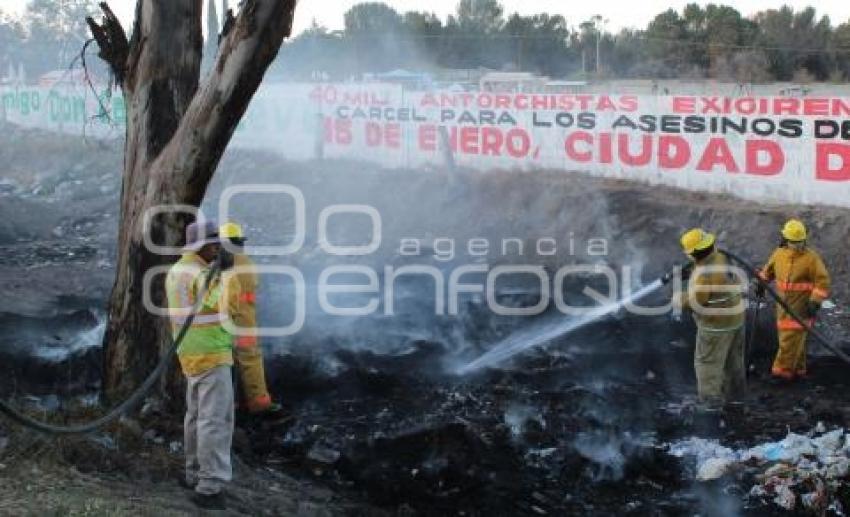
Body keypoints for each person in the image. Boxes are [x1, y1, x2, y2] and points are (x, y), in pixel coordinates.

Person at [165, 220, 233, 510]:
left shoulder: (177, 270)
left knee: (195, 417)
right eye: (213, 243)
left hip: (190, 354)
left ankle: (193, 473)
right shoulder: (202, 273)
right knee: (214, 421)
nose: (218, 247)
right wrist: (225, 274)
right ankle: (210, 486)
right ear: (200, 246)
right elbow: (219, 303)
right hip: (211, 354)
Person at [671, 228, 747, 406]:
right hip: (735, 319)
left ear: (695, 253)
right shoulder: (721, 257)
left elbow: (698, 301)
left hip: (716, 327)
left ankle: (710, 408)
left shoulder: (704, 274)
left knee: (708, 365)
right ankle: (736, 402)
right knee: (733, 363)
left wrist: (678, 299)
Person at [218, 221, 283, 417]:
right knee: (250, 360)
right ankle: (257, 402)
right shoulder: (245, 262)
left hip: (231, 321)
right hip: (246, 323)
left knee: (227, 363)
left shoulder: (226, 265)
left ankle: (236, 404)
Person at [757, 219, 830, 381]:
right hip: (783, 309)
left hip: (802, 309)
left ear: (805, 240)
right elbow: (767, 272)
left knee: (789, 342)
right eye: (793, 242)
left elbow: (822, 281)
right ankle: (798, 369)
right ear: (785, 240)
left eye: (799, 242)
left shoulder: (811, 259)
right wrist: (761, 282)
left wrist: (815, 301)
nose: (797, 245)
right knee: (797, 342)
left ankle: (781, 373)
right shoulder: (779, 254)